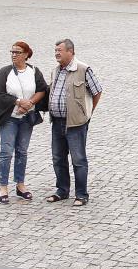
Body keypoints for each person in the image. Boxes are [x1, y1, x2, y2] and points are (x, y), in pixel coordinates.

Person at [44, 38, 103, 206]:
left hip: (76, 124)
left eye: (59, 50)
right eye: (55, 50)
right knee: (58, 158)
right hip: (57, 121)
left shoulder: (83, 69)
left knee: (78, 159)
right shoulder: (56, 70)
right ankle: (62, 190)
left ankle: (81, 194)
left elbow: (97, 91)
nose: (56, 53)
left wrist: (88, 112)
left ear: (71, 52)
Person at [0, 41, 49, 204]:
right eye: (12, 52)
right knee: (6, 151)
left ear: (26, 54)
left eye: (18, 52)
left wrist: (29, 103)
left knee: (22, 151)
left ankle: (20, 185)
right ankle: (3, 186)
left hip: (26, 119)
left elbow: (42, 89)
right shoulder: (4, 72)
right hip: (9, 119)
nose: (14, 55)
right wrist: (18, 102)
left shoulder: (34, 71)